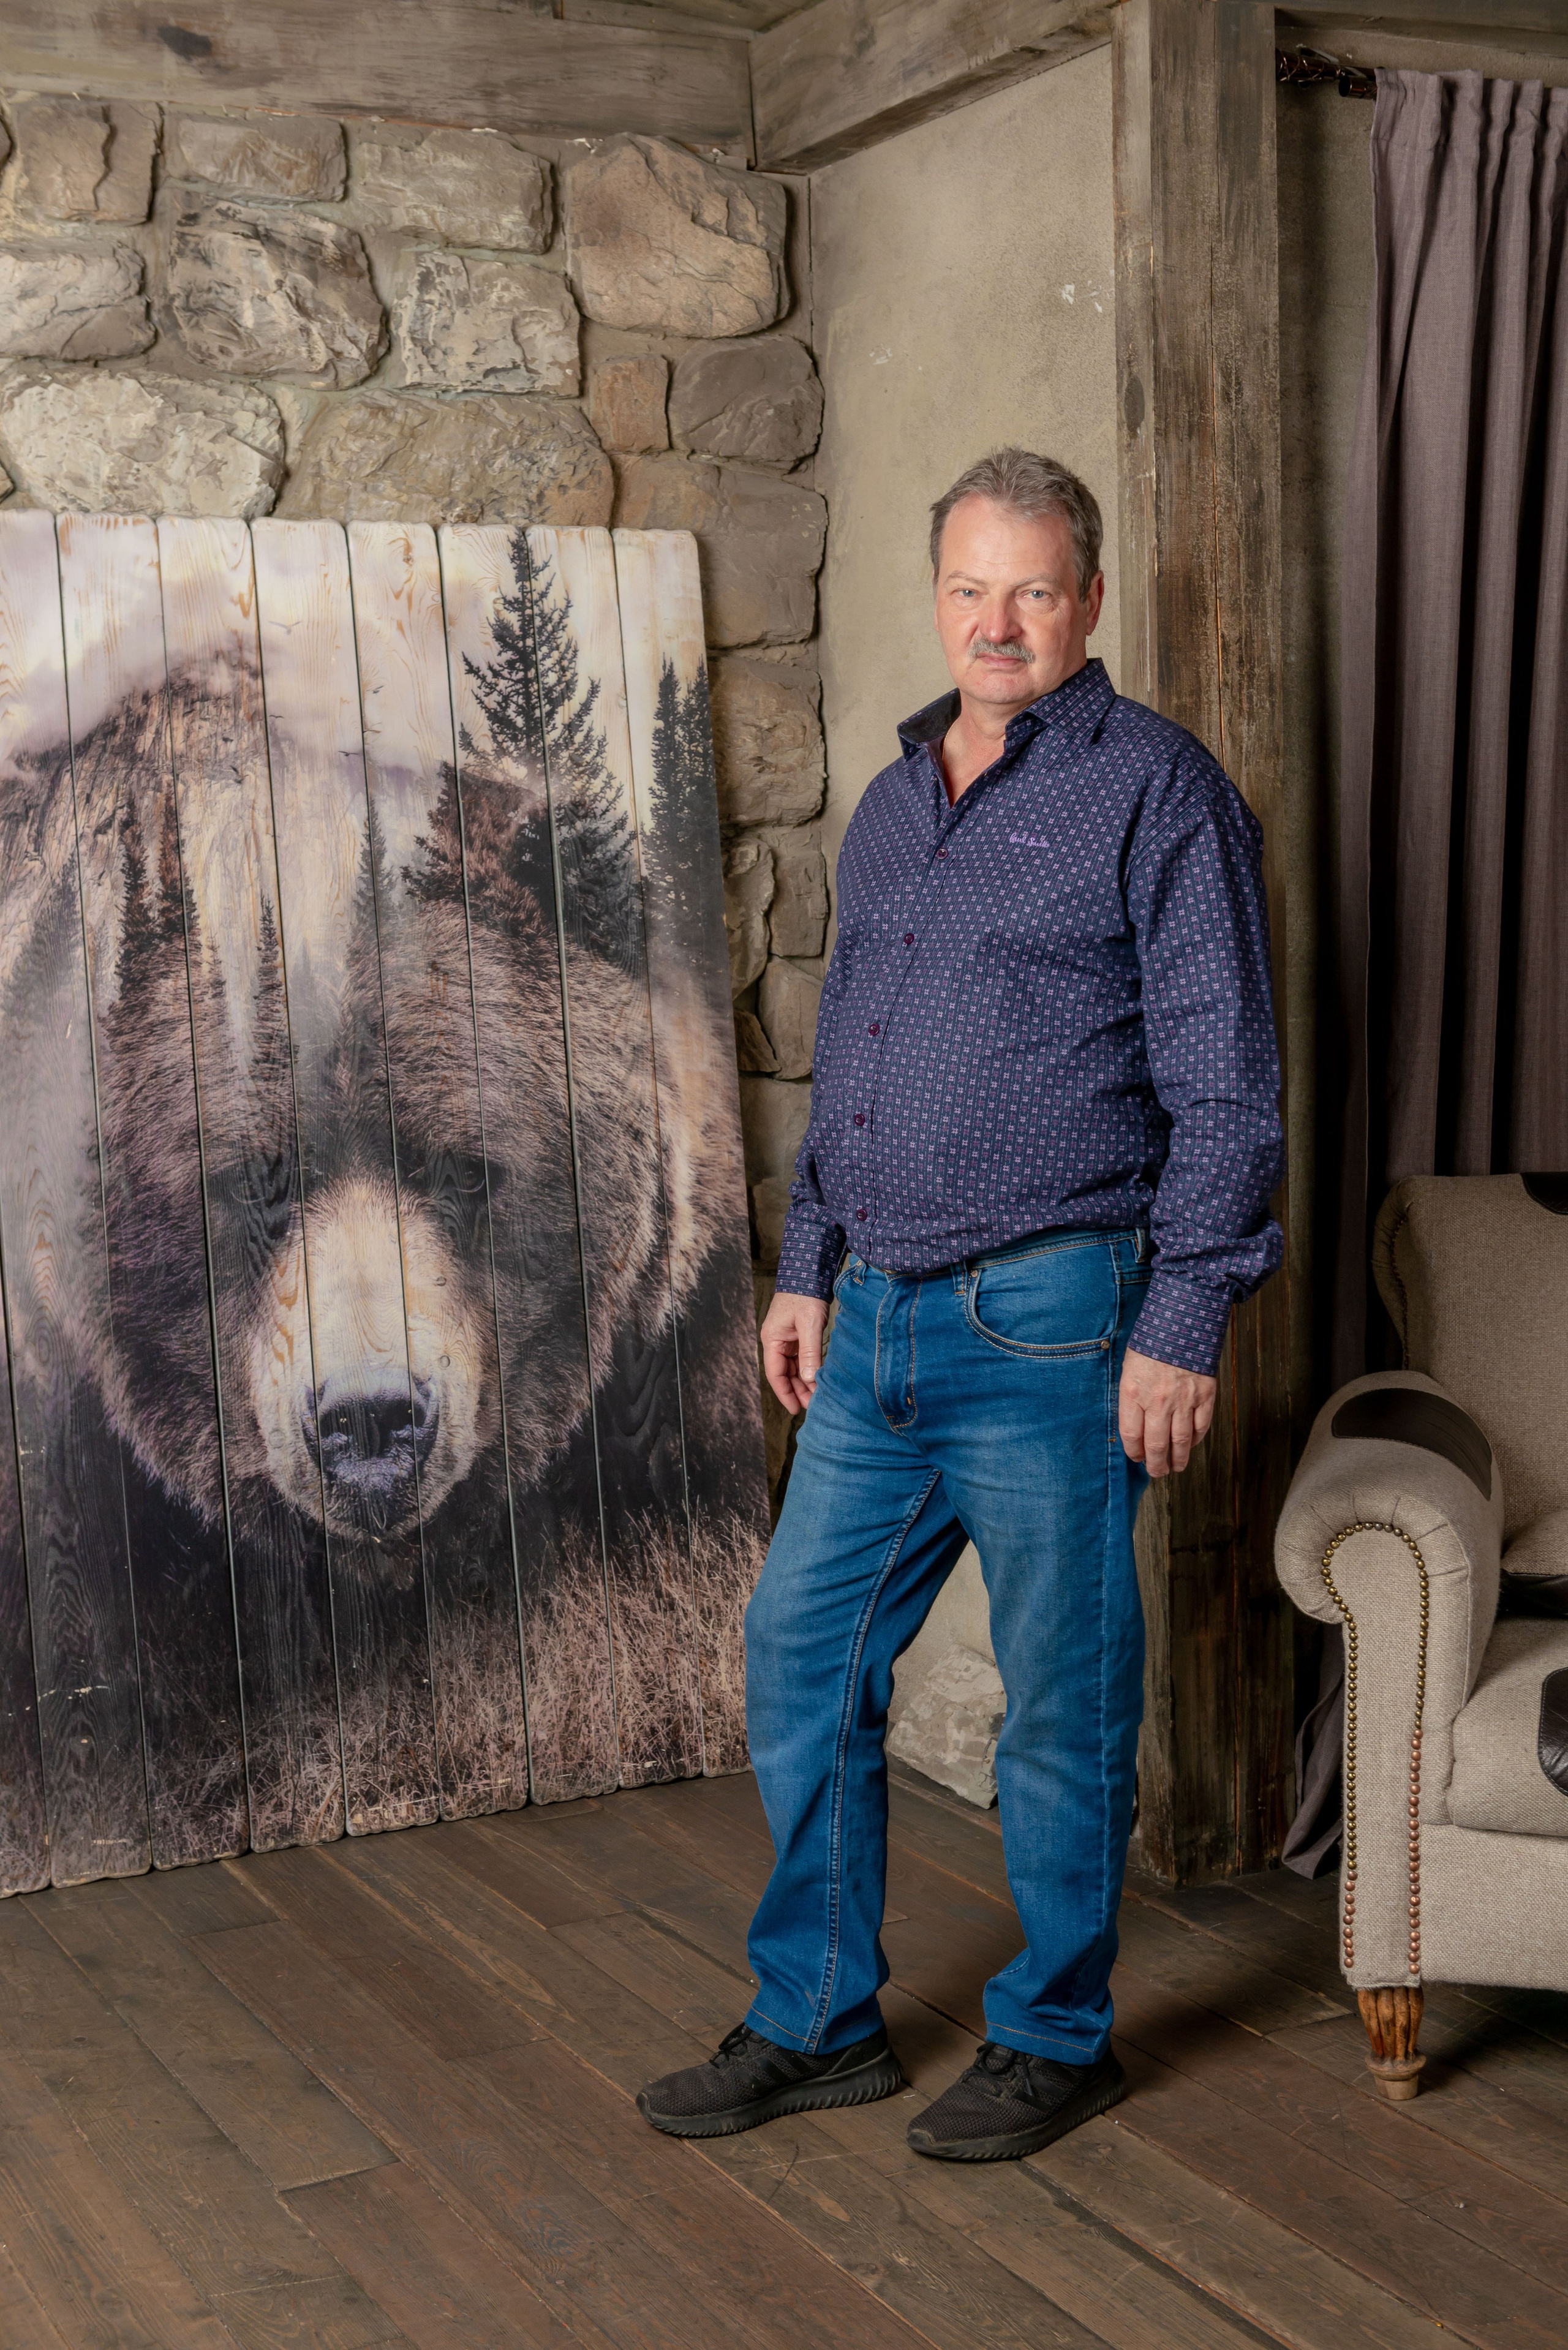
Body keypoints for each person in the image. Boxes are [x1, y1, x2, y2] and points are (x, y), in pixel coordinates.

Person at [638, 447, 1283, 2160]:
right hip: (880, 1328)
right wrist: (807, 1270)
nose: (999, 623)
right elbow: (853, 1047)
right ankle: (818, 2019)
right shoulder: (900, 793)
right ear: (943, 598)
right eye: (970, 589)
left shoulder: (1164, 793)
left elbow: (1228, 1089)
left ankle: (1059, 2036)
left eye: (1035, 590)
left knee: (1061, 1699)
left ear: (1089, 600)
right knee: (800, 1649)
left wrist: (1185, 1318)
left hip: (1059, 1321)